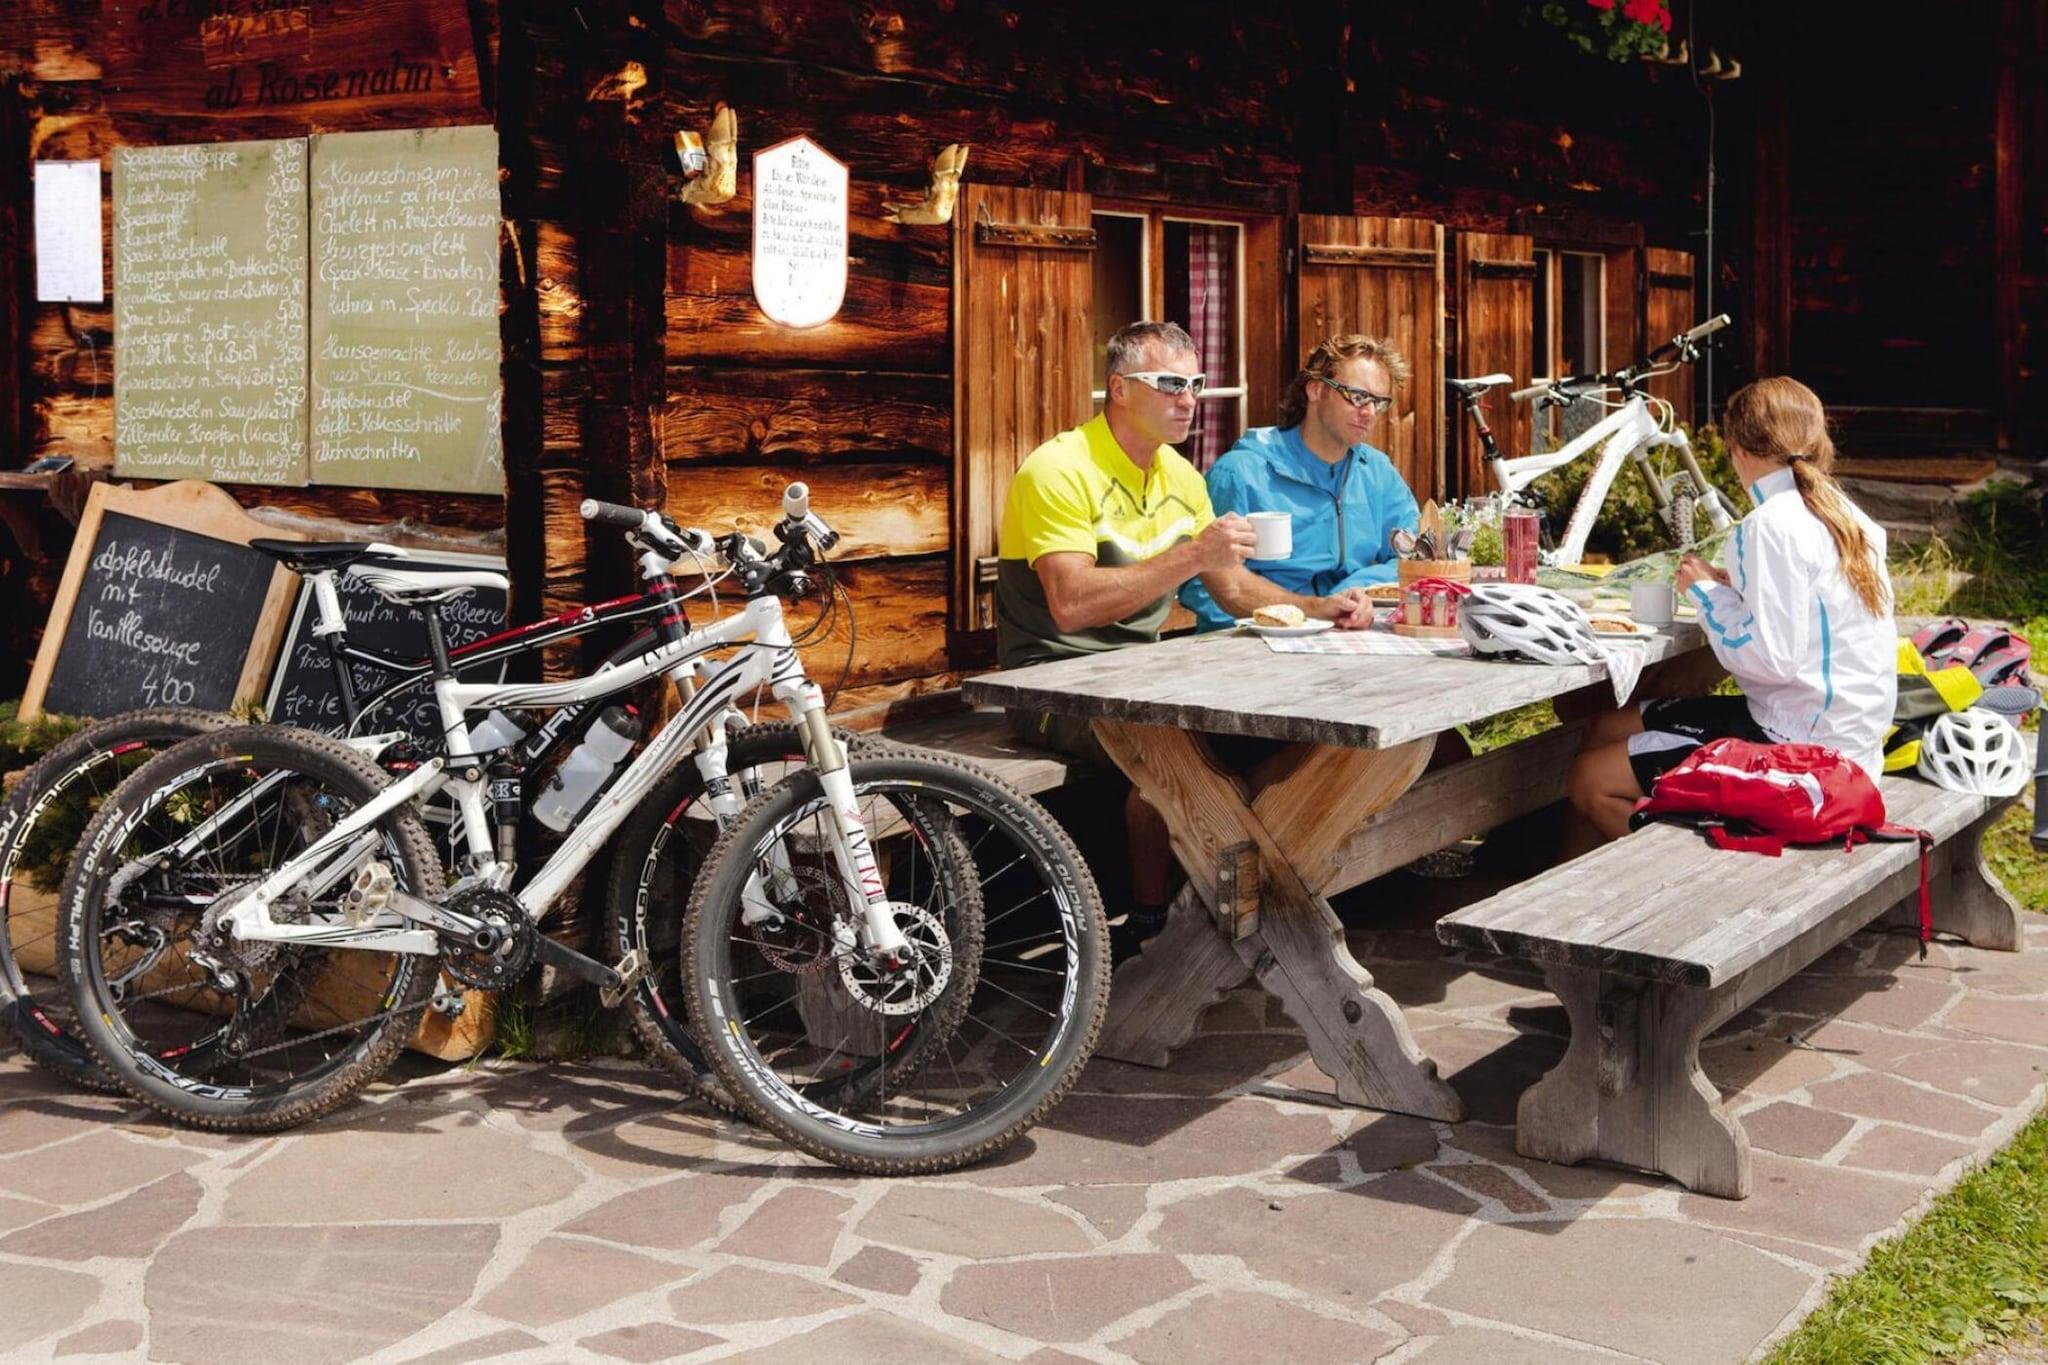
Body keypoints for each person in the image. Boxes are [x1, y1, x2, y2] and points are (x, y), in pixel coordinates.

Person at [996, 321, 1324, 952]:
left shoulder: (1181, 476)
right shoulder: (1058, 468)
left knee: (1288, 722)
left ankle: (1239, 889)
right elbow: (1072, 604)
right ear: (1119, 388)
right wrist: (1193, 553)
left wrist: (1317, 608)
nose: (1188, 399)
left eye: (1196, 384)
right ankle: (1151, 925)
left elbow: (1231, 589)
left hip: (1140, 676)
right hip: (1048, 685)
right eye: (1170, 383)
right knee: (1174, 744)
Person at [1564, 376, 1896, 851]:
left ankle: (1666, 880)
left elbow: (1771, 660)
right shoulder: (1844, 515)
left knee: (1590, 779)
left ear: (1737, 450)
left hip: (1806, 756)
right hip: (1841, 735)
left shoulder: (1770, 526)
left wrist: (1704, 593)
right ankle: (1575, 866)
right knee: (1604, 725)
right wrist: (1737, 588)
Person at [1180, 334, 1418, 631]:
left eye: (1378, 402)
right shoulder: (1242, 473)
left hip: (1347, 630)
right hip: (1255, 640)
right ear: (1316, 390)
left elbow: (1414, 558)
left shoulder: (1377, 472)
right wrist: (1295, 618)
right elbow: (1202, 585)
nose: (1368, 412)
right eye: (1357, 396)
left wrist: (1354, 590)